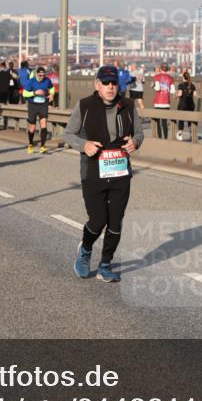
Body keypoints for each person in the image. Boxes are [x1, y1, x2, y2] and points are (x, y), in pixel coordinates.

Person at [63, 65, 143, 283]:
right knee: (98, 221)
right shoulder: (85, 106)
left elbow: (139, 131)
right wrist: (84, 144)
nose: (110, 87)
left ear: (119, 85)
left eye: (113, 83)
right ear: (96, 84)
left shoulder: (127, 105)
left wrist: (135, 142)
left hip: (120, 172)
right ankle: (86, 248)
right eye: (105, 83)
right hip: (93, 172)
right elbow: (68, 134)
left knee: (115, 222)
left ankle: (105, 264)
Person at [23, 66, 55, 154]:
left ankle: (43, 146)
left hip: (43, 104)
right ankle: (30, 144)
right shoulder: (31, 81)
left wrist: (52, 94)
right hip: (33, 105)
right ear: (37, 74)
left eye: (43, 75)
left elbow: (52, 88)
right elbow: (24, 93)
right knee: (32, 126)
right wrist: (34, 93)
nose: (42, 77)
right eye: (40, 75)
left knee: (44, 123)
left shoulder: (47, 80)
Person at [151, 63, 176, 139]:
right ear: (167, 69)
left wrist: (153, 86)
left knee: (158, 122)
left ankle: (160, 137)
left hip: (158, 102)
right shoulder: (170, 78)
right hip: (166, 102)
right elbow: (172, 91)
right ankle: (165, 137)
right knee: (164, 122)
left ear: (161, 68)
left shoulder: (157, 77)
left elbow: (158, 88)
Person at [175, 71, 197, 141]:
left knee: (181, 120)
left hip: (183, 104)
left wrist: (176, 94)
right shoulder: (192, 85)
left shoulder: (181, 85)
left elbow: (180, 94)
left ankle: (180, 134)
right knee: (190, 120)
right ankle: (191, 134)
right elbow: (195, 95)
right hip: (191, 105)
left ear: (183, 77)